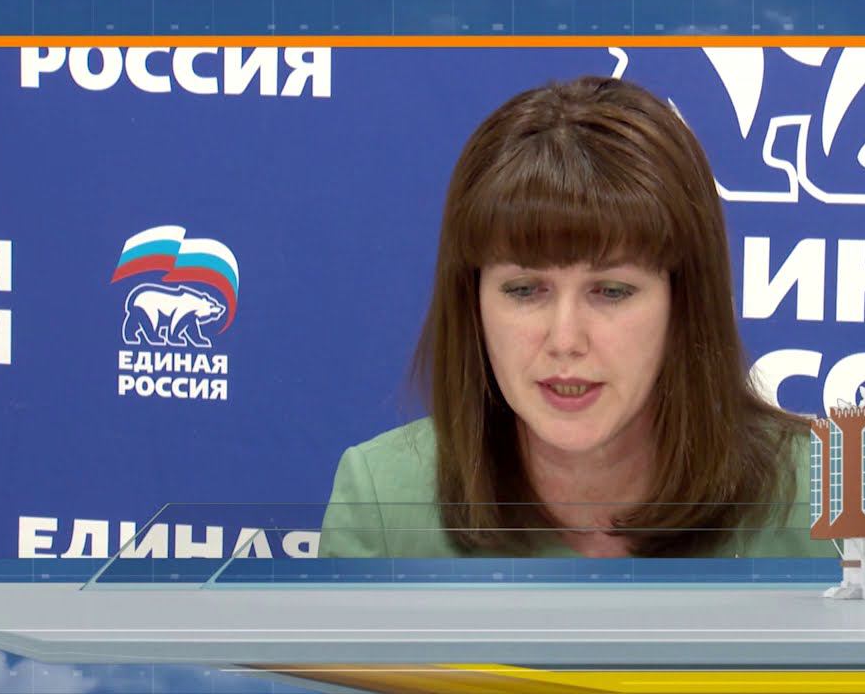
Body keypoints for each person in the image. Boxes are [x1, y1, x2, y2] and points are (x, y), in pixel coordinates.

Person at [318, 75, 829, 559]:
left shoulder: (830, 497)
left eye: (611, 291)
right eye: (525, 290)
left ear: (684, 302)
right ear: (472, 303)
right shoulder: (382, 502)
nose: (565, 340)